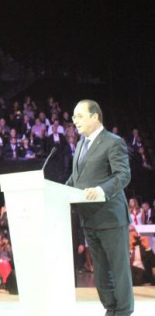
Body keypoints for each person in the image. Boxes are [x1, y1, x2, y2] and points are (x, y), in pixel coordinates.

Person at [66, 100, 132, 316]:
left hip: (111, 216)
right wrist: (57, 190)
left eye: (80, 116)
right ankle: (111, 308)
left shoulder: (113, 142)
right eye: (74, 117)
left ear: (95, 116)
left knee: (118, 268)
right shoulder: (80, 144)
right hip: (89, 218)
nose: (75, 121)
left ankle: (123, 310)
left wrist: (102, 190)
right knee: (101, 272)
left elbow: (123, 174)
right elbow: (77, 178)